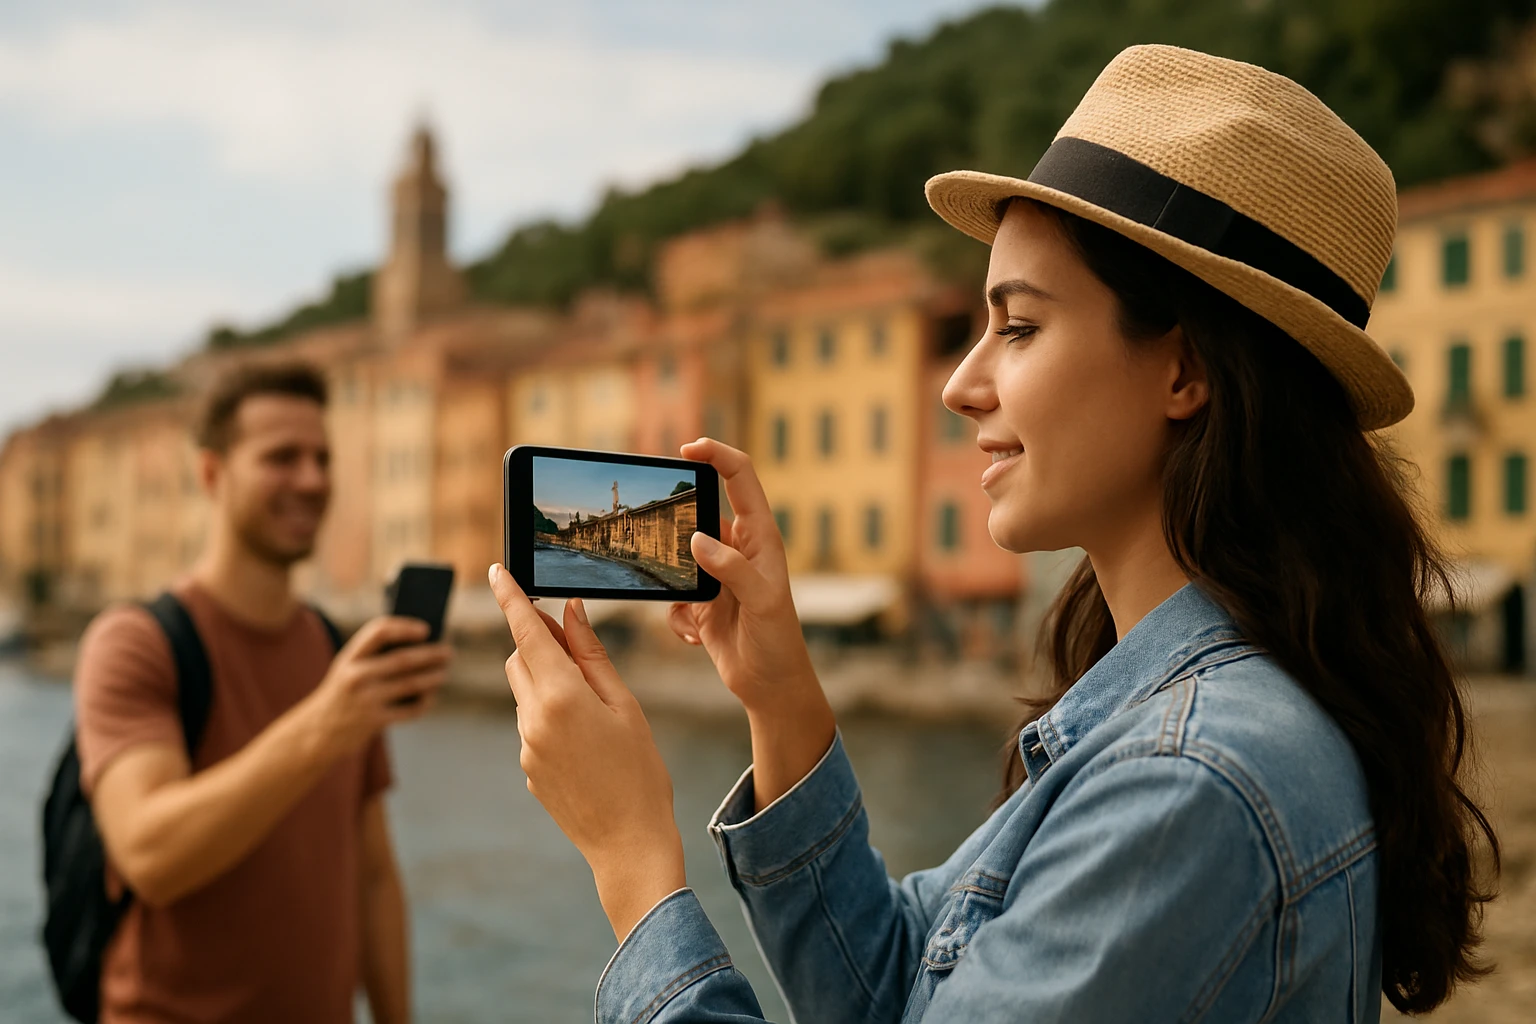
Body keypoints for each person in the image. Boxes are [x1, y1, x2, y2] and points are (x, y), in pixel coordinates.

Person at [486, 44, 1499, 1023]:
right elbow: (896, 999)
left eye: (1017, 326)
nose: (959, 385)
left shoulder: (1191, 785)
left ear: (1186, 373)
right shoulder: (1176, 731)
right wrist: (781, 697)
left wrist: (632, 861)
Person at [74, 361, 451, 1023]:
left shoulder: (334, 650)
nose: (312, 480)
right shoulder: (135, 642)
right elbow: (148, 854)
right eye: (282, 458)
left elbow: (371, 877)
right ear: (211, 474)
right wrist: (324, 724)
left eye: (323, 458)